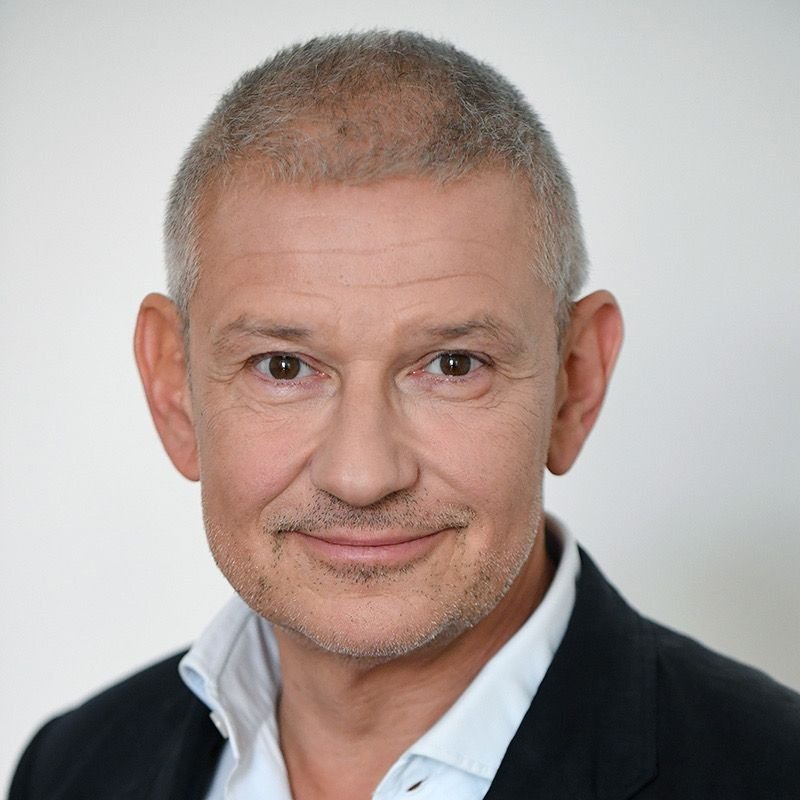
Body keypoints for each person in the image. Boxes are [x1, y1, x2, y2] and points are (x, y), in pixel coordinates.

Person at [9, 30, 800, 800]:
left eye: (454, 365)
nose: (362, 475)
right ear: (174, 390)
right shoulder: (70, 768)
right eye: (283, 366)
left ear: (575, 383)